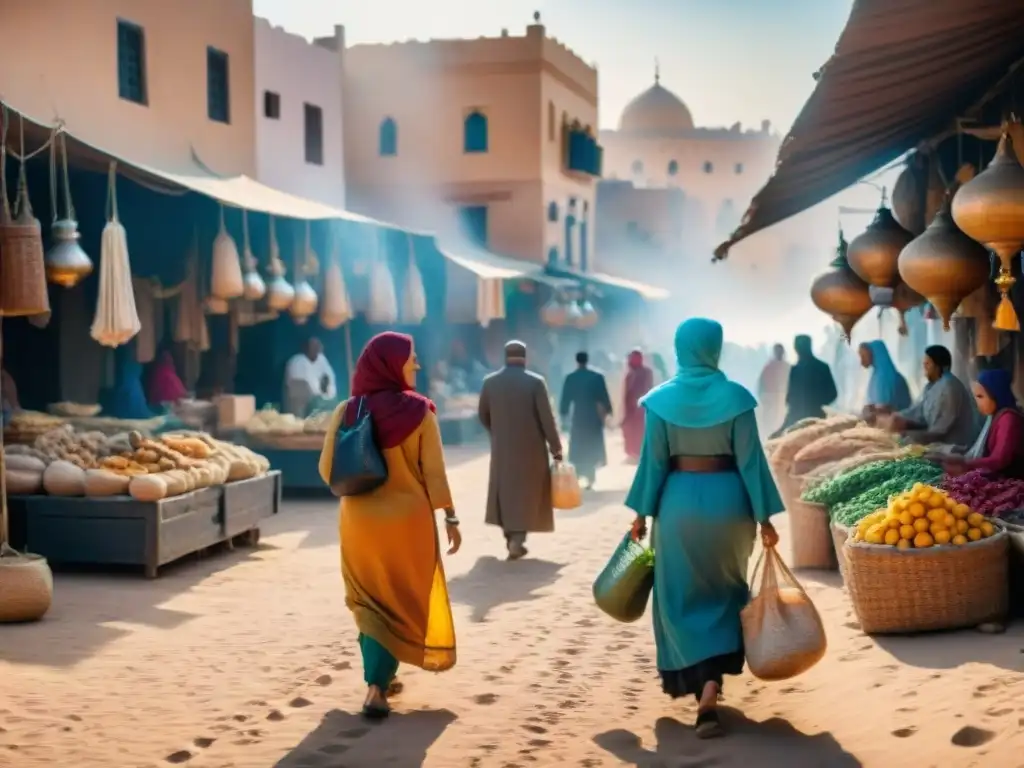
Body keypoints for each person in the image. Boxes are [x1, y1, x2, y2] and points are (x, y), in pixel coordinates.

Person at [625, 318, 783, 739]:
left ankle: (701, 690)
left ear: (680, 349)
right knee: (725, 592)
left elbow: (653, 464)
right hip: (729, 508)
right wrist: (765, 517)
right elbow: (752, 463)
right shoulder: (736, 399)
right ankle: (714, 686)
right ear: (716, 348)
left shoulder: (660, 402)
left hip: (677, 509)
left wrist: (641, 514)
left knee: (678, 597)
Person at [317, 331, 461, 720]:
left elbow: (326, 469)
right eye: (410, 357)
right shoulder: (421, 412)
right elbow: (434, 473)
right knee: (400, 598)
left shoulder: (347, 411)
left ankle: (379, 677)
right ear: (390, 364)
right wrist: (450, 516)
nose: (417, 364)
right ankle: (378, 686)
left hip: (359, 524)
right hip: (408, 525)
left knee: (368, 600)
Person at [478, 340, 563, 560]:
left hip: (502, 448)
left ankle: (511, 537)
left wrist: (497, 433)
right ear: (526, 357)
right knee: (526, 494)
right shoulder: (535, 383)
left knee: (506, 492)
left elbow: (483, 415)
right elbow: (547, 419)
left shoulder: (490, 383)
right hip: (532, 448)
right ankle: (517, 539)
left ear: (504, 357)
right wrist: (556, 447)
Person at [884, 345, 979, 447]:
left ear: (938, 366)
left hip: (953, 447)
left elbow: (939, 431)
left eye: (928, 364)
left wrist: (908, 434)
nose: (924, 367)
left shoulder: (949, 387)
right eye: (924, 364)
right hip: (937, 444)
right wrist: (898, 418)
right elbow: (919, 412)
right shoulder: (931, 386)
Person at [941, 369, 1024, 478]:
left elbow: (1000, 460)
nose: (977, 403)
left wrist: (965, 464)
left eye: (981, 396)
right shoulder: (994, 416)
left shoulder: (1008, 419)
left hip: (1015, 483)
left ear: (996, 394)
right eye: (976, 397)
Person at [559, 351, 612, 489]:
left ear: (576, 361)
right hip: (593, 417)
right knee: (591, 446)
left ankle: (578, 475)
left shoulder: (571, 378)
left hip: (578, 417)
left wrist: (563, 414)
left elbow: (565, 399)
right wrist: (608, 412)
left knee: (578, 447)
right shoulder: (597, 376)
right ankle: (590, 477)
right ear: (587, 360)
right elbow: (604, 397)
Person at [777, 335, 837, 435]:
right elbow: (833, 394)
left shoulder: (796, 370)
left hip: (798, 421)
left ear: (795, 349)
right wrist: (817, 403)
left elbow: (791, 400)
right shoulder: (823, 367)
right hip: (818, 418)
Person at [284, 337, 337, 417]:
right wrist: (321, 395)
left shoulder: (321, 360)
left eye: (318, 346)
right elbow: (307, 384)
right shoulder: (297, 362)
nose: (318, 348)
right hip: (299, 398)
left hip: (316, 398)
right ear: (306, 349)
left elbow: (330, 378)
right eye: (314, 346)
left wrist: (327, 394)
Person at [860, 340, 912, 417]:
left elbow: (884, 410)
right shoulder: (876, 376)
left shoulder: (886, 379)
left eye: (863, 356)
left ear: (874, 353)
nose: (861, 361)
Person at [622, 349, 654, 462]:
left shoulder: (646, 372)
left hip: (641, 409)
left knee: (640, 432)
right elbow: (626, 394)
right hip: (632, 409)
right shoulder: (630, 374)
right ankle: (635, 454)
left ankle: (640, 454)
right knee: (632, 432)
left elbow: (648, 389)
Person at [756, 343, 790, 437]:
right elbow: (761, 387)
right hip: (771, 402)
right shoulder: (769, 367)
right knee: (770, 426)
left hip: (782, 401)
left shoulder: (786, 367)